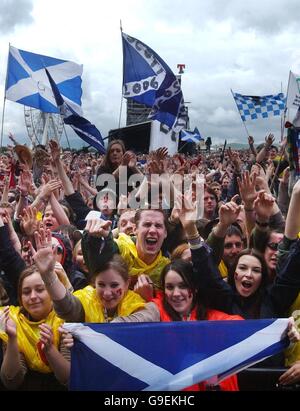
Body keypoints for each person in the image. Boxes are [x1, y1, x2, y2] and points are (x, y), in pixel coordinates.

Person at [0, 265, 69, 390]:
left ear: (52, 292)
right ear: (20, 298)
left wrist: (50, 349)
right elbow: (11, 382)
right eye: (26, 292)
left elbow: (68, 378)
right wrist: (12, 339)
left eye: (40, 289)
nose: (32, 296)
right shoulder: (12, 320)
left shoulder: (66, 319)